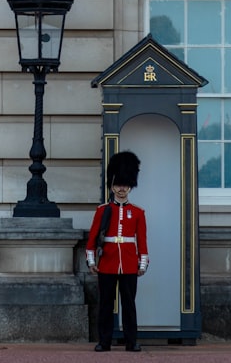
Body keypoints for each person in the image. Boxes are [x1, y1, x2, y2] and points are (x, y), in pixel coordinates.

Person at [86, 150, 148, 352]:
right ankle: (104, 341)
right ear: (112, 186)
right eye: (118, 185)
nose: (121, 189)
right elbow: (93, 237)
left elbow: (142, 239)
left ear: (130, 186)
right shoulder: (103, 210)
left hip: (129, 263)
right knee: (106, 304)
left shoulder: (138, 212)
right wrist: (91, 261)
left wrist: (142, 262)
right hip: (108, 263)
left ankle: (132, 341)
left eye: (125, 185)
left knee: (129, 305)